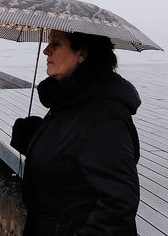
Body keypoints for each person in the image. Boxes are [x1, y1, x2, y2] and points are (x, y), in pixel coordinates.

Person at [10, 30, 141, 235]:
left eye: (56, 43)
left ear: (82, 54)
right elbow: (72, 158)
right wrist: (35, 139)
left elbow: (119, 204)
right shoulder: (69, 101)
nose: (46, 51)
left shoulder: (105, 117)